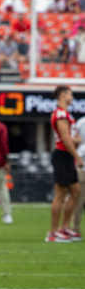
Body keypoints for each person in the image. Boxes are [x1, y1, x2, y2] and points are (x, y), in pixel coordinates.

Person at [45, 85, 83, 242]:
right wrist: (77, 155)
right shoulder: (60, 114)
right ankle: (53, 232)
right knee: (61, 194)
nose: (72, 97)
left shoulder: (65, 113)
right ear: (62, 95)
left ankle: (64, 228)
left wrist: (75, 142)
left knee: (75, 191)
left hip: (66, 156)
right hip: (63, 155)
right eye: (70, 94)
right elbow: (66, 138)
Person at [72, 105, 85, 238]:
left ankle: (75, 229)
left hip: (81, 164)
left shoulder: (80, 122)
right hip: (82, 165)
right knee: (79, 201)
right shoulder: (81, 122)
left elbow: (74, 141)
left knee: (79, 201)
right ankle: (75, 229)